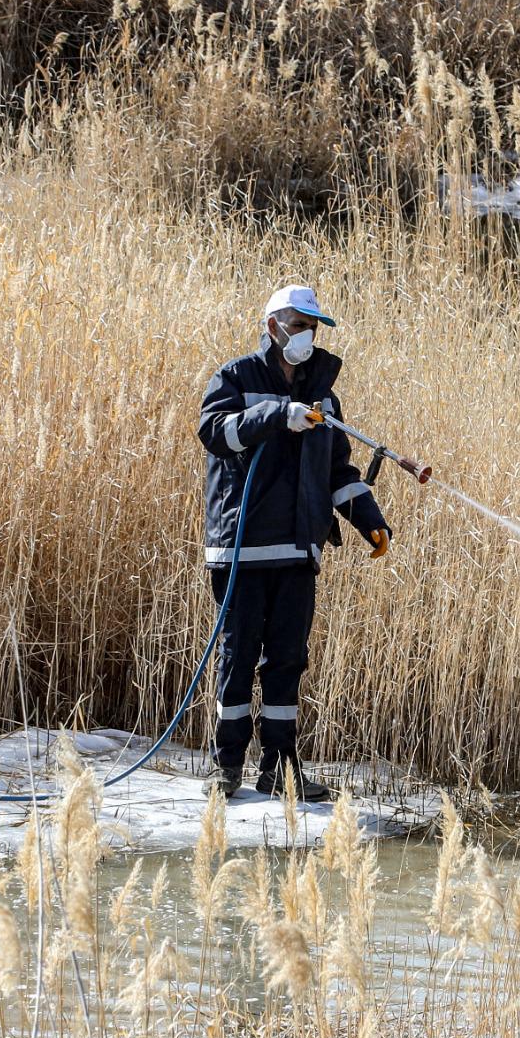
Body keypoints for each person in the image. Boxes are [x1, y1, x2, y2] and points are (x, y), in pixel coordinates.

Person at [196, 284, 391, 801]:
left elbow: (338, 469)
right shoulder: (235, 377)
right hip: (242, 548)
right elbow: (216, 433)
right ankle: (227, 767)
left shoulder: (323, 394)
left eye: (311, 326)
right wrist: (277, 415)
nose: (305, 335)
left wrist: (368, 519)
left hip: (300, 549)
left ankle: (279, 770)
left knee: (287, 662)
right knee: (237, 660)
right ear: (272, 326)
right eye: (297, 324)